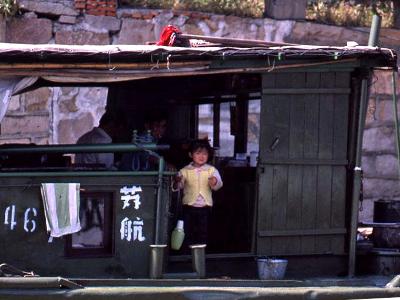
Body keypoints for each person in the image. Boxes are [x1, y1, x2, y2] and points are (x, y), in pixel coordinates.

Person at [172, 139, 223, 248]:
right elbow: (178, 186)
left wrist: (215, 182)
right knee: (188, 231)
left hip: (205, 208)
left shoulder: (211, 170)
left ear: (209, 155)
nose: (202, 156)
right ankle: (188, 254)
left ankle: (201, 252)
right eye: (198, 153)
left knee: (203, 232)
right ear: (191, 154)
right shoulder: (185, 170)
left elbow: (219, 184)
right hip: (188, 207)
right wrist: (177, 181)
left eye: (205, 153)